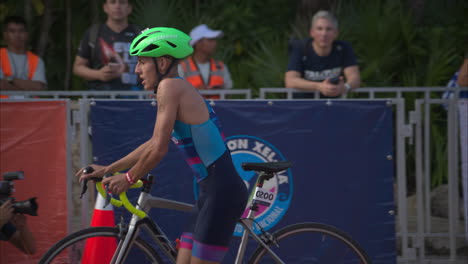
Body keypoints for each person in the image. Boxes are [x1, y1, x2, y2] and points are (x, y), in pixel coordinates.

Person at [76, 27, 248, 264]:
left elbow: (158, 149)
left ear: (164, 62)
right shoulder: (172, 87)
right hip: (211, 192)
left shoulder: (170, 87)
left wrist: (127, 179)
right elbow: (152, 143)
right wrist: (108, 169)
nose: (137, 70)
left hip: (222, 192)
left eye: (142, 62)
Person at [285, 10, 360, 98]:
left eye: (328, 29)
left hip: (333, 106)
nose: (324, 34)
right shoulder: (300, 47)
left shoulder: (343, 48)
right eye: (319, 29)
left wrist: (344, 87)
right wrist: (319, 86)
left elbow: (355, 79)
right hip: (304, 106)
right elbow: (290, 81)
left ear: (336, 33)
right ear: (312, 32)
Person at [73, 0, 141, 91]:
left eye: (122, 2)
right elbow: (78, 67)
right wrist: (99, 74)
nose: (117, 6)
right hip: (99, 99)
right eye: (113, 2)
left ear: (129, 8)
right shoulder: (93, 33)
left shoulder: (140, 34)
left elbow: (151, 67)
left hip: (135, 98)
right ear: (105, 7)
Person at [178, 24, 233, 99]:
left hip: (218, 110)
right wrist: (195, 90)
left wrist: (220, 90)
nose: (215, 43)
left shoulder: (221, 66)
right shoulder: (182, 67)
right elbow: (177, 93)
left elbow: (229, 92)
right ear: (198, 44)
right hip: (192, 109)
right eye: (210, 40)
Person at [0, 15, 47, 91]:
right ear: (5, 35)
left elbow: (39, 87)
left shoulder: (36, 60)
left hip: (29, 103)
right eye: (12, 31)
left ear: (27, 34)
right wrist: (27, 87)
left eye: (21, 31)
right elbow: (1, 85)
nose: (17, 35)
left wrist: (10, 79)